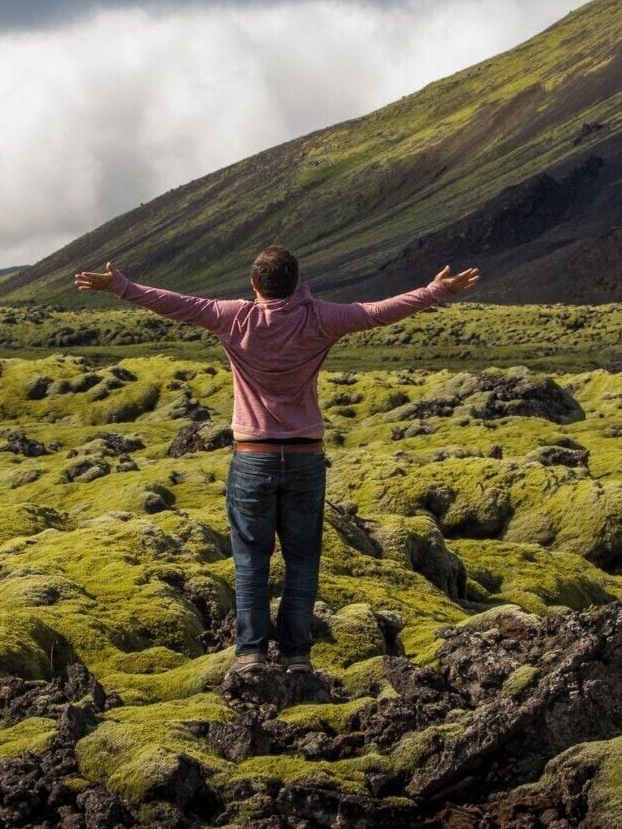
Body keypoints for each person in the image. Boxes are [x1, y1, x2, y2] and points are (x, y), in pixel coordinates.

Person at [76, 246, 479, 672]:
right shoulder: (320, 317)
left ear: (254, 285)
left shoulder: (233, 316)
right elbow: (378, 312)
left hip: (253, 457)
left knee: (251, 559)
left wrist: (120, 286)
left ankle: (250, 654)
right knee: (302, 559)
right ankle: (297, 656)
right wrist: (435, 292)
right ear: (297, 281)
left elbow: (176, 305)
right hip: (306, 457)